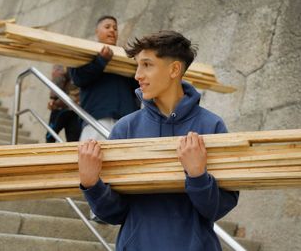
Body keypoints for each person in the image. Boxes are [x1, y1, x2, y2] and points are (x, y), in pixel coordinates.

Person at [77, 30, 239, 250]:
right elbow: (114, 214)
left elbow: (217, 210)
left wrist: (198, 176)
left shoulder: (211, 127)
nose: (137, 75)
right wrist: (92, 184)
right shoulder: (125, 129)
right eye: (137, 66)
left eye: (147, 65)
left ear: (174, 69)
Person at [69, 15, 139, 141]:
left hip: (127, 121)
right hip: (97, 119)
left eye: (115, 28)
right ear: (97, 32)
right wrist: (101, 61)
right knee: (93, 157)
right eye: (107, 27)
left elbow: (137, 88)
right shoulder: (85, 52)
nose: (112, 30)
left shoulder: (126, 59)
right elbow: (78, 79)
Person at [45, 64, 81, 142]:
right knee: (73, 139)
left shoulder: (63, 62)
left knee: (51, 136)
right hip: (76, 106)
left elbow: (58, 76)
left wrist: (53, 98)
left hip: (62, 105)